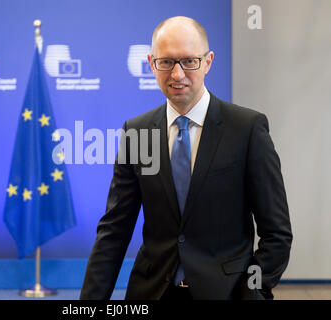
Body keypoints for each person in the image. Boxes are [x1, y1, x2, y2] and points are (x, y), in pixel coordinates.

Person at [80, 16, 292, 300]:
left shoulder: (247, 129)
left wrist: (251, 290)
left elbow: (277, 234)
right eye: (166, 62)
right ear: (151, 63)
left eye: (189, 61)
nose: (177, 74)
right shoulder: (137, 132)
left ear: (208, 61)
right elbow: (114, 231)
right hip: (152, 292)